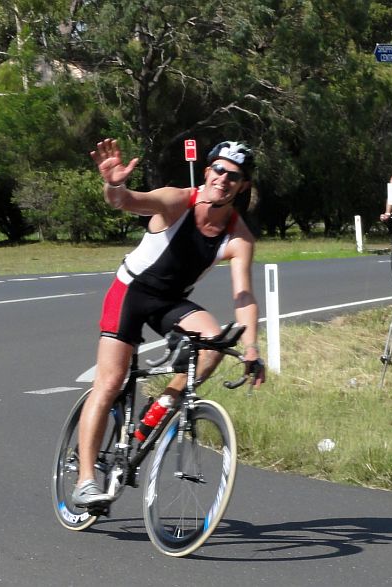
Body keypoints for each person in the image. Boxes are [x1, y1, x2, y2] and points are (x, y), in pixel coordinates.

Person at [72, 138, 266, 507]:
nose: (223, 179)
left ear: (242, 186)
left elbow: (244, 295)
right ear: (207, 171)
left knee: (214, 342)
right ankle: (85, 481)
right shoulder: (177, 200)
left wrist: (252, 347)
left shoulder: (238, 236)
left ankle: (164, 402)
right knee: (111, 380)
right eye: (219, 170)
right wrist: (114, 184)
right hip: (130, 291)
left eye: (234, 175)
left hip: (170, 302)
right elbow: (126, 202)